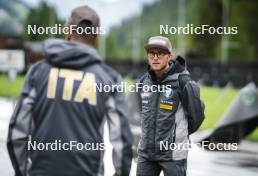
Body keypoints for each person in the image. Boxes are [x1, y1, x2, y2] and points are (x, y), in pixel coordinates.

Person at [7, 5, 133, 176]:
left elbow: (17, 133)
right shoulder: (109, 79)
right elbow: (122, 141)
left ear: (67, 31)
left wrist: (22, 172)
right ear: (96, 38)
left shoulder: (38, 72)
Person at [136, 36, 205, 176]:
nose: (155, 57)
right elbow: (142, 111)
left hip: (173, 154)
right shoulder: (143, 82)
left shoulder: (183, 82)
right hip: (146, 153)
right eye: (151, 53)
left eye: (160, 53)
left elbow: (197, 115)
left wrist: (182, 134)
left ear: (169, 56)